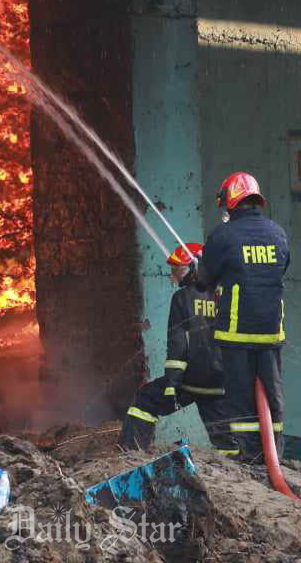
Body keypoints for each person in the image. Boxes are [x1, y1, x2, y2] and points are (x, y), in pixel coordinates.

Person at [195, 171, 289, 462]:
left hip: (236, 335)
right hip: (271, 333)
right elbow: (281, 267)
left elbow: (202, 280)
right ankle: (274, 456)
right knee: (272, 398)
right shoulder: (278, 233)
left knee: (240, 399)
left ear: (230, 202)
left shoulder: (223, 235)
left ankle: (249, 457)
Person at [119, 242, 224, 452]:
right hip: (221, 383)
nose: (174, 275)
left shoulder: (182, 298)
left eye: (179, 269)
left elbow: (177, 346)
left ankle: (131, 452)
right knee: (225, 440)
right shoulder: (226, 296)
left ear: (196, 267)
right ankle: (236, 470)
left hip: (190, 381)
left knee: (146, 398)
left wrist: (171, 385)